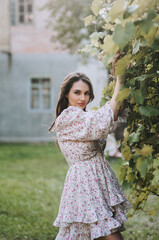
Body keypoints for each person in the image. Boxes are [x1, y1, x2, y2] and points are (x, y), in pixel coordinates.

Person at [49, 57, 132, 239]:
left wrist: (117, 77)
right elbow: (106, 117)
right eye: (77, 92)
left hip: (95, 181)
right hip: (85, 183)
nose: (83, 98)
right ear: (66, 94)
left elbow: (112, 115)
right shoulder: (69, 117)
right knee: (109, 233)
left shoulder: (83, 117)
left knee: (93, 233)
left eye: (86, 93)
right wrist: (119, 79)